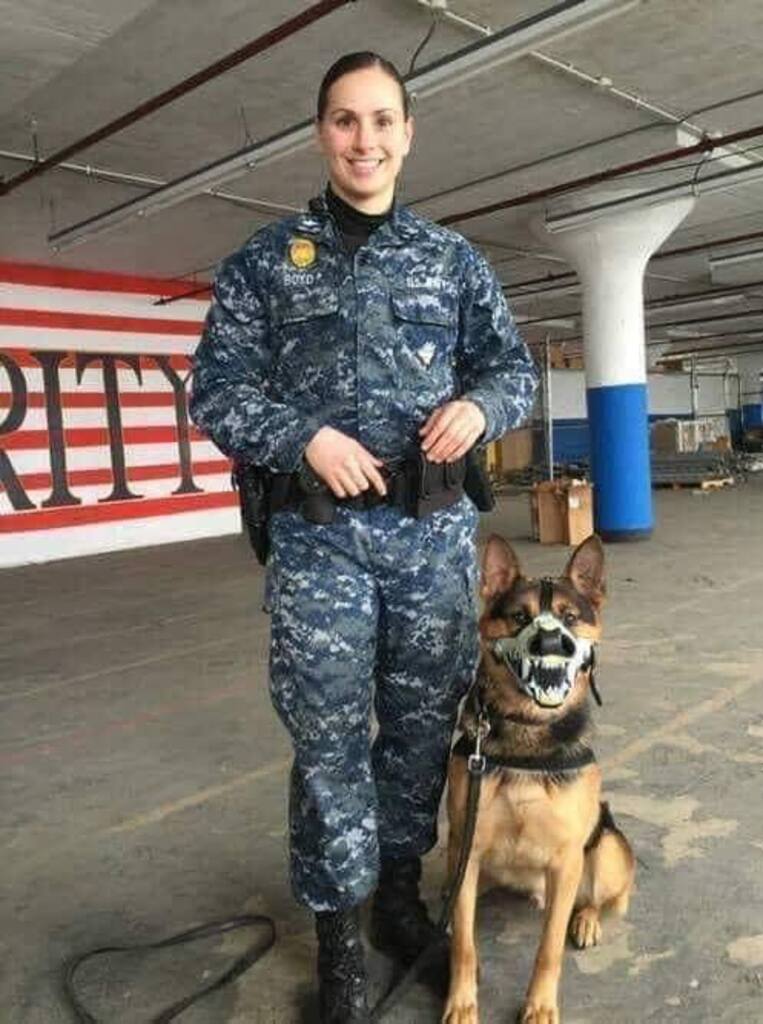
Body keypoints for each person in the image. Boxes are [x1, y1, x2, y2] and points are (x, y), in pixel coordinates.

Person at [190, 51, 538, 1023]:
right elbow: (214, 389)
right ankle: (340, 944)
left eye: (382, 119)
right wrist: (302, 436)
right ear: (320, 133)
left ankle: (396, 899)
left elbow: (513, 371)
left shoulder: (451, 261)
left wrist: (479, 407)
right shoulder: (268, 260)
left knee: (422, 735)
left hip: (431, 541)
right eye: (345, 120)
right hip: (321, 543)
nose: (364, 140)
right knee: (329, 742)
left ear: (407, 133)